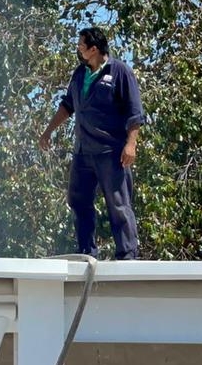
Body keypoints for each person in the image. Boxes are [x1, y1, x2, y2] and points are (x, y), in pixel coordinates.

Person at [39, 27, 145, 259]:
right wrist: (48, 131)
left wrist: (131, 144)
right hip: (83, 152)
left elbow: (135, 112)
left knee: (118, 205)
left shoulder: (120, 72)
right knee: (78, 200)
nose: (78, 49)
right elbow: (68, 105)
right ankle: (87, 251)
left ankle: (128, 255)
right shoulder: (80, 74)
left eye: (81, 46)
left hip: (111, 151)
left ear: (93, 49)